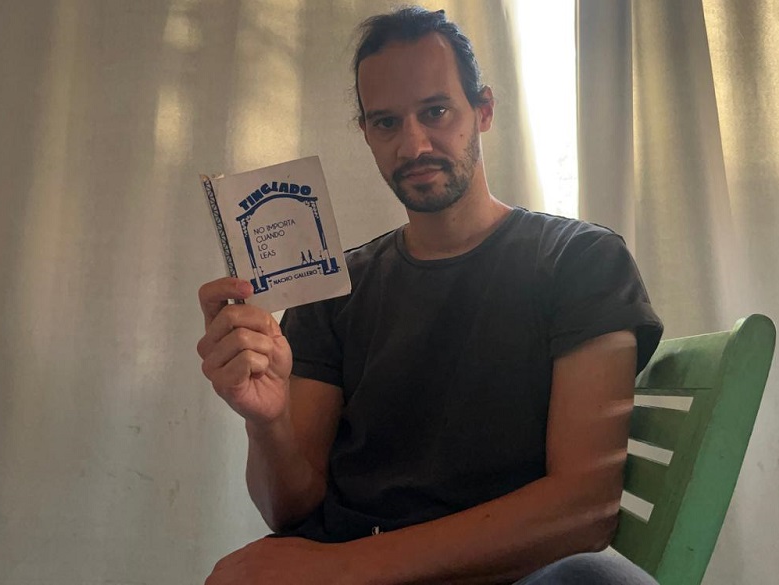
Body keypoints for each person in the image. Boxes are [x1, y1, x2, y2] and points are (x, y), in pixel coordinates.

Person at [196, 7, 663, 584]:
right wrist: (266, 422)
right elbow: (289, 510)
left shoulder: (580, 260)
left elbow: (585, 508)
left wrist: (343, 568)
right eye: (387, 123)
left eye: (436, 111)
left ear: (483, 110)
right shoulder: (332, 291)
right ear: (366, 133)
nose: (413, 145)